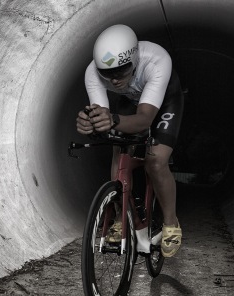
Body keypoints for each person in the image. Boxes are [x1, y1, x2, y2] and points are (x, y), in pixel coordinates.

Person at [76, 24, 184, 257]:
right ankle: (120, 216)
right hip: (130, 100)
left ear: (134, 60)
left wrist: (112, 119)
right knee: (119, 151)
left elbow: (144, 120)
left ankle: (171, 222)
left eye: (121, 72)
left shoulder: (156, 61)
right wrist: (90, 123)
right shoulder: (92, 73)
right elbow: (101, 118)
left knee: (155, 160)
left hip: (165, 102)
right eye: (107, 74)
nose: (114, 81)